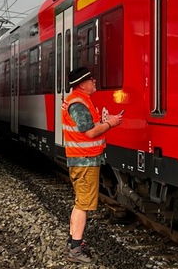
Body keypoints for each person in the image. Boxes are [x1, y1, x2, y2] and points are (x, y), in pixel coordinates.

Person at [62, 66, 122, 264]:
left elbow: (89, 127)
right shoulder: (78, 104)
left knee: (81, 201)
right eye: (91, 79)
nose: (94, 81)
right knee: (83, 204)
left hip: (83, 159)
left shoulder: (81, 101)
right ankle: (76, 249)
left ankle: (73, 242)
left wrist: (103, 121)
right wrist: (111, 123)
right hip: (84, 159)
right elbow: (89, 133)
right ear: (82, 84)